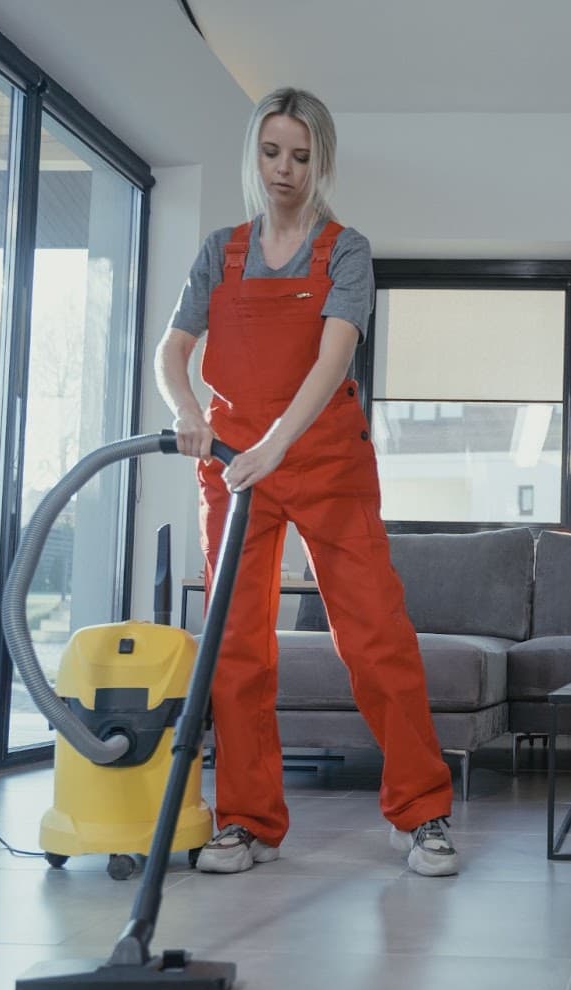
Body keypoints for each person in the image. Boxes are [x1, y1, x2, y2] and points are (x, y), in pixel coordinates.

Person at [155, 87, 458, 875]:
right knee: (237, 646)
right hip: (233, 466)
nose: (285, 170)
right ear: (253, 154)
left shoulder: (343, 250)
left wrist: (276, 445)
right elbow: (172, 351)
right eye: (271, 152)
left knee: (375, 636)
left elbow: (333, 360)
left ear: (321, 161)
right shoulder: (220, 251)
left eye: (301, 155)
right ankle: (248, 821)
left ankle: (421, 812)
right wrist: (189, 410)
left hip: (322, 456)